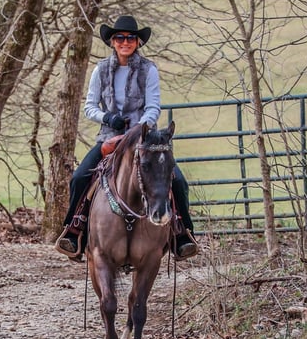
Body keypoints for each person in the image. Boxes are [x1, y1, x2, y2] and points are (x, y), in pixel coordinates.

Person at [55, 15, 199, 261]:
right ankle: (73, 231)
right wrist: (108, 118)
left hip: (143, 138)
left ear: (137, 42)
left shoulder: (149, 69)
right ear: (112, 41)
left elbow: (153, 107)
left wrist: (138, 130)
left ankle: (182, 234)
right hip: (109, 137)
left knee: (178, 182)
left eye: (130, 38)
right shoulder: (100, 70)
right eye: (120, 38)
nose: (125, 42)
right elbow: (89, 107)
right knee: (80, 178)